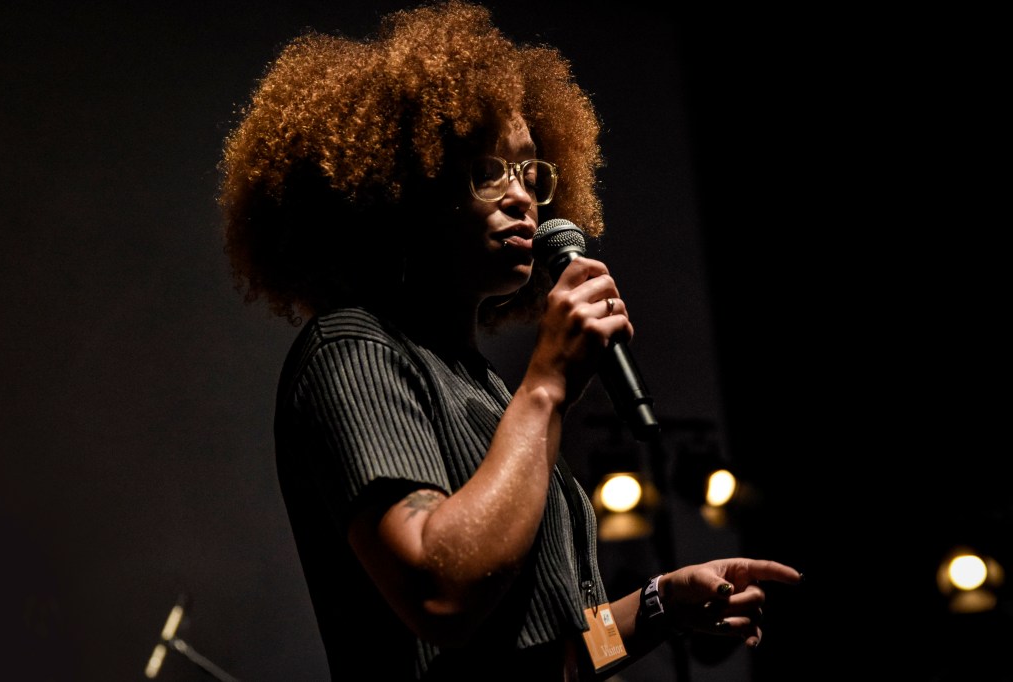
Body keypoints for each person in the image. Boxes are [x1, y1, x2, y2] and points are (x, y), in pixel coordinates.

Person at [218, 2, 802, 679]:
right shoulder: (352, 351)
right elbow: (440, 594)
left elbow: (559, 661)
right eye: (487, 169)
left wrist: (660, 606)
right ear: (404, 186)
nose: (522, 196)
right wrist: (549, 384)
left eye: (530, 172)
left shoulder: (493, 394)